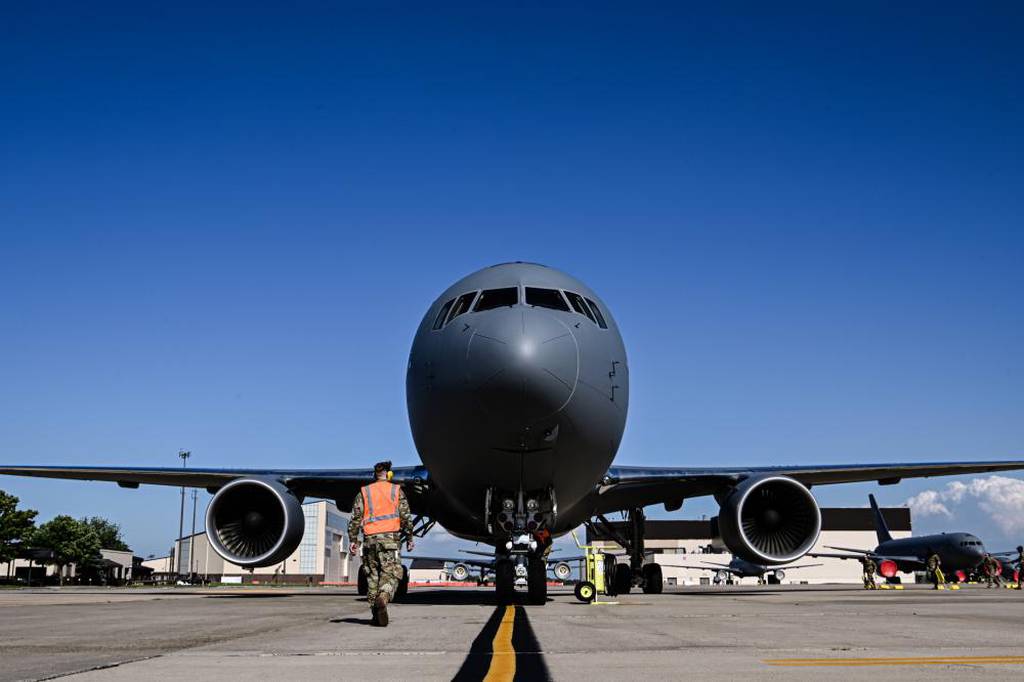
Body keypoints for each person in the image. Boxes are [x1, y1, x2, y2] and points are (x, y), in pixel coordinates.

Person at [349, 460, 413, 627]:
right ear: (389, 474)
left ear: (374, 475)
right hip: (390, 541)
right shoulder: (396, 491)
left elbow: (355, 518)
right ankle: (383, 598)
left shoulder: (364, 492)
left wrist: (353, 540)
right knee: (391, 575)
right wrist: (410, 537)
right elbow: (406, 516)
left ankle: (375, 616)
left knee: (372, 578)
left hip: (369, 542)